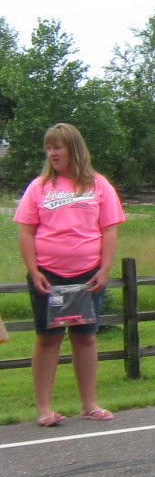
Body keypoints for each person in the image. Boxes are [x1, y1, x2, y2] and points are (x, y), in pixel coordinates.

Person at [13, 123, 125, 426]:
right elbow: (26, 232)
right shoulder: (39, 187)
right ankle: (44, 409)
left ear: (74, 149)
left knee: (85, 338)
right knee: (48, 339)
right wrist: (34, 271)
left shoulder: (99, 185)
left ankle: (89, 405)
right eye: (49, 148)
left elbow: (109, 230)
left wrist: (104, 270)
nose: (52, 153)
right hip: (48, 276)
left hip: (87, 276)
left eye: (58, 147)